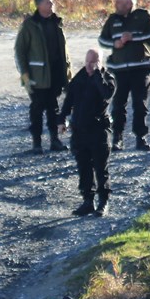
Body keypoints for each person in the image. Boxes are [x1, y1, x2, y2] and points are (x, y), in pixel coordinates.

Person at [97, 0, 150, 152]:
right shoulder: (112, 19)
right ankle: (117, 138)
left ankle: (141, 138)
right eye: (116, 2)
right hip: (119, 71)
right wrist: (114, 43)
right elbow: (102, 40)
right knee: (118, 106)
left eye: (121, 3)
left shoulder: (143, 16)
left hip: (140, 69)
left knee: (140, 105)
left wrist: (133, 38)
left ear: (130, 3)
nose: (117, 5)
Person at [59, 50, 116, 217]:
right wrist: (61, 119)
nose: (89, 65)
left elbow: (106, 94)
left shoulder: (107, 79)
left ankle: (103, 202)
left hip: (99, 131)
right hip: (79, 131)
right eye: (87, 61)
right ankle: (88, 201)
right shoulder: (80, 77)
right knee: (84, 167)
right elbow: (68, 100)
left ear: (100, 62)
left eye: (93, 62)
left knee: (100, 167)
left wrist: (97, 74)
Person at [14, 0, 70, 154]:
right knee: (37, 110)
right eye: (47, 3)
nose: (51, 5)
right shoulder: (29, 25)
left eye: (52, 2)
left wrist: (67, 74)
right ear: (38, 5)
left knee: (54, 108)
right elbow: (19, 51)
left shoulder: (57, 23)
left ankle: (55, 140)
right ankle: (37, 144)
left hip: (56, 74)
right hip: (36, 77)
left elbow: (64, 52)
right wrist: (24, 75)